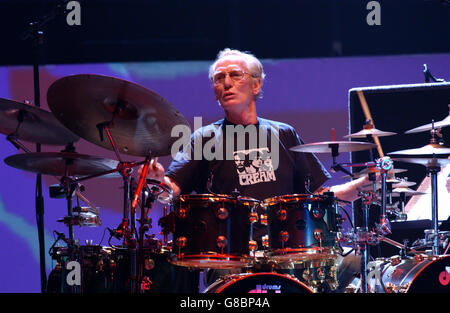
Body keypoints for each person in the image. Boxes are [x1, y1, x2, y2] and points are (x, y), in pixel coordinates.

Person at [143, 48, 372, 292]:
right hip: (231, 257)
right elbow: (172, 191)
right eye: (219, 78)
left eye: (235, 75)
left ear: (256, 85)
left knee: (355, 261)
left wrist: (362, 185)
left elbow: (320, 195)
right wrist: (156, 181)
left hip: (287, 254)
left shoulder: (284, 134)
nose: (226, 83)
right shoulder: (204, 138)